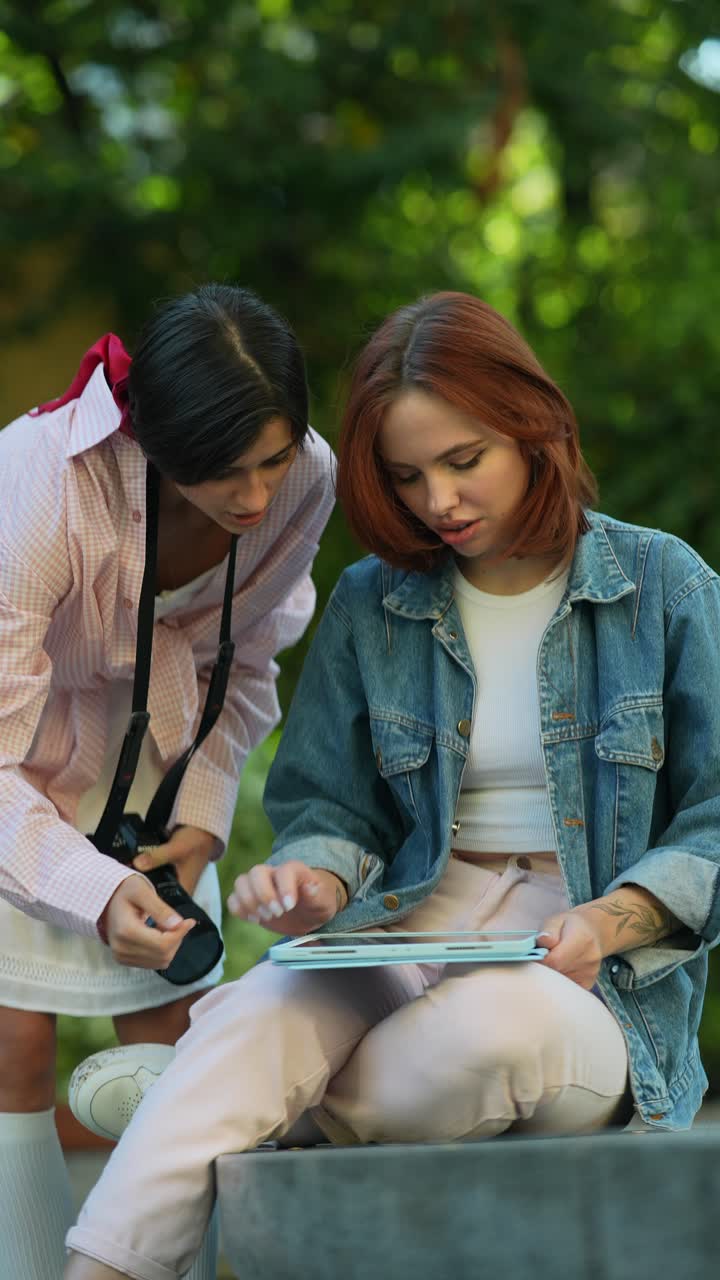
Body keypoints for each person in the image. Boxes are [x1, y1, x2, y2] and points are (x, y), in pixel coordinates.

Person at [64, 291, 720, 1280]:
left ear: (534, 426)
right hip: (409, 931)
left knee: (488, 1031)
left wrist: (613, 918)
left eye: (465, 461)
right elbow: (329, 805)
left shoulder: (663, 585)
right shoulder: (376, 600)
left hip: (584, 978)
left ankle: (209, 1096)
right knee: (275, 1003)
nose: (439, 501)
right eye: (408, 475)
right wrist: (312, 880)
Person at [0, 283, 335, 1280]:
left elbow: (250, 656)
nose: (255, 497)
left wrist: (198, 816)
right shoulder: (44, 486)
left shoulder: (306, 480)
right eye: (222, 470)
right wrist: (92, 890)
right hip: (13, 762)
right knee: (12, 1047)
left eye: (273, 458)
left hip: (149, 760)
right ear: (150, 437)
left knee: (182, 1047)